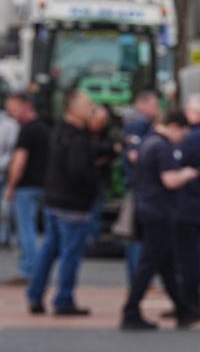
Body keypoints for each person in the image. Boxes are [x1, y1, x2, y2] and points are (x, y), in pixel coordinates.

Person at [121, 110, 200, 330]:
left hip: (148, 209)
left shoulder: (148, 142)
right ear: (175, 127)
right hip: (159, 212)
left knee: (165, 263)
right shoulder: (162, 146)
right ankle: (131, 310)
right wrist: (187, 174)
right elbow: (169, 180)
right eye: (183, 134)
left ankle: (183, 309)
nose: (182, 140)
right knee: (149, 264)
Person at [27, 91, 98, 315]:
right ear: (74, 109)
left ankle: (35, 294)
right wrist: (92, 189)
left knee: (49, 250)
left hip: (55, 199)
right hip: (72, 203)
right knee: (70, 254)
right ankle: (63, 299)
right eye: (88, 105)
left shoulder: (58, 131)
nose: (92, 110)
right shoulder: (77, 137)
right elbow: (79, 170)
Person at [171, 95, 200, 312]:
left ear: (197, 114)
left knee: (186, 256)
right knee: (192, 252)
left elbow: (177, 160)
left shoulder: (194, 137)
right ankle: (189, 301)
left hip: (187, 202)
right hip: (199, 201)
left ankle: (188, 302)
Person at [3, 92, 49, 284]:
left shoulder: (27, 130)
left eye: (13, 108)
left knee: (25, 229)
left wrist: (11, 185)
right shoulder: (43, 129)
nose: (10, 113)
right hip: (41, 185)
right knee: (31, 228)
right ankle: (32, 269)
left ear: (25, 106)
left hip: (26, 186)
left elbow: (19, 161)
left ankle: (28, 271)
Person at [120, 91, 160, 283]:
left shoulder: (139, 124)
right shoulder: (138, 124)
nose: (157, 109)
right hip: (138, 186)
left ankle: (139, 277)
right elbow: (134, 155)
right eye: (154, 105)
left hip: (138, 185)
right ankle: (138, 278)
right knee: (136, 234)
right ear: (142, 104)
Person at [87, 105, 118, 244]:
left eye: (103, 121)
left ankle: (93, 241)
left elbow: (113, 150)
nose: (101, 124)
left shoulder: (106, 133)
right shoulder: (84, 133)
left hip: (100, 178)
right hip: (87, 179)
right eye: (99, 121)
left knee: (96, 211)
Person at [0, 108, 19, 247]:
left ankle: (4, 237)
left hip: (4, 172)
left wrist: (1, 163)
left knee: (5, 206)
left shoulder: (9, 124)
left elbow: (14, 150)